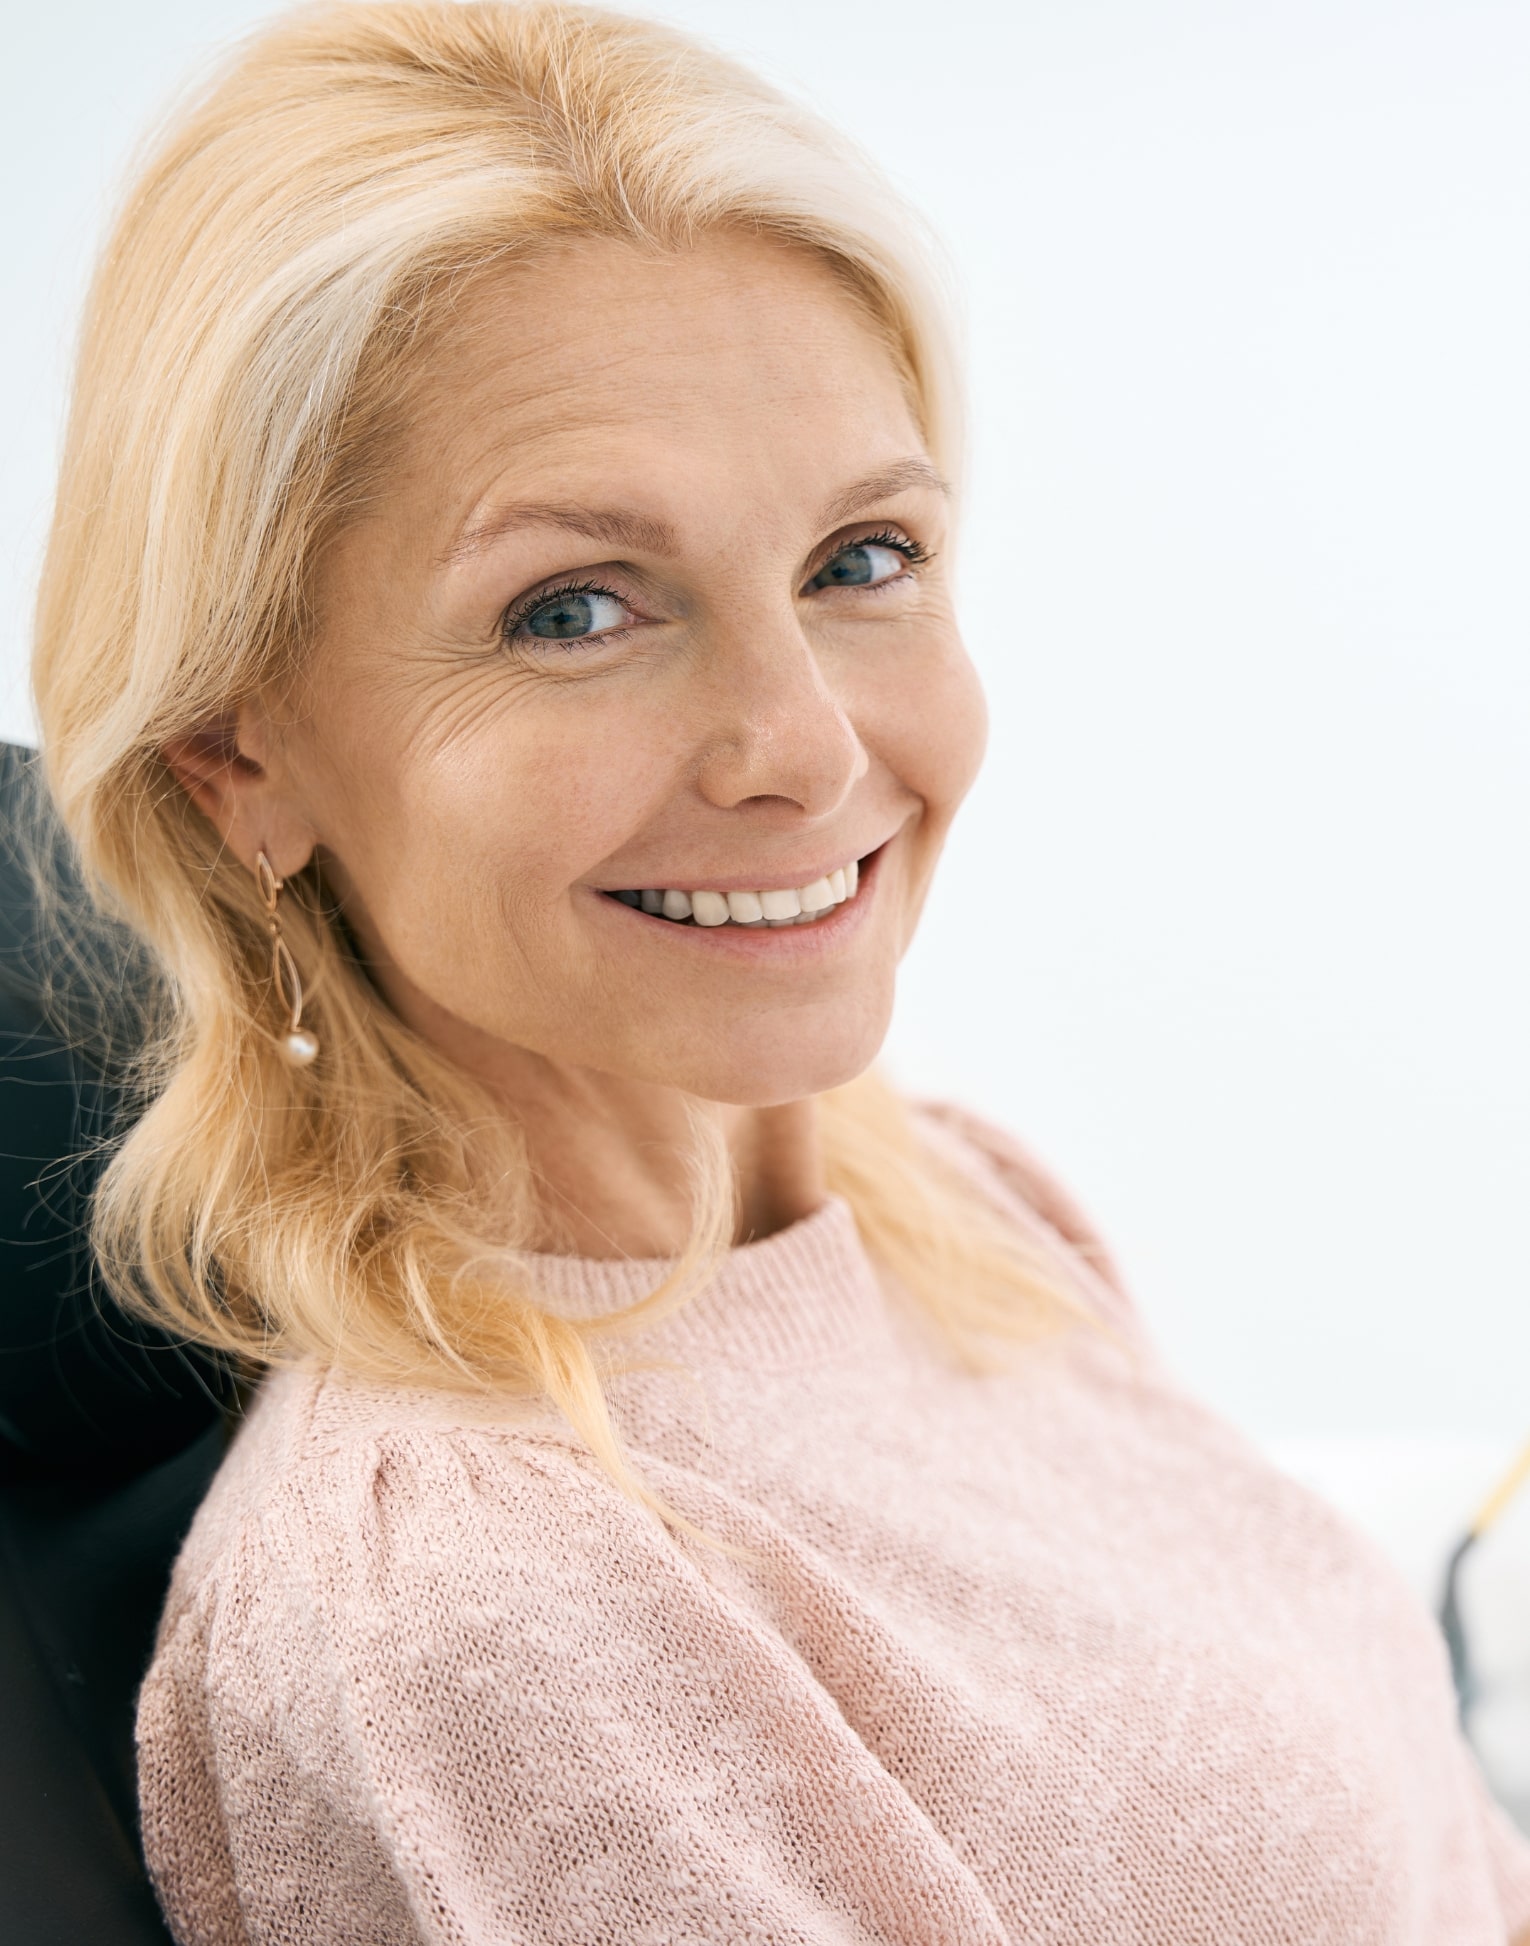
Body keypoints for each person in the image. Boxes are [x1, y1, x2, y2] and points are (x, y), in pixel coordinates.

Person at [29, 2, 1530, 1939]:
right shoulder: (487, 1609)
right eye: (576, 608)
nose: (805, 749)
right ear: (237, 752)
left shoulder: (952, 1211)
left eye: (860, 559)